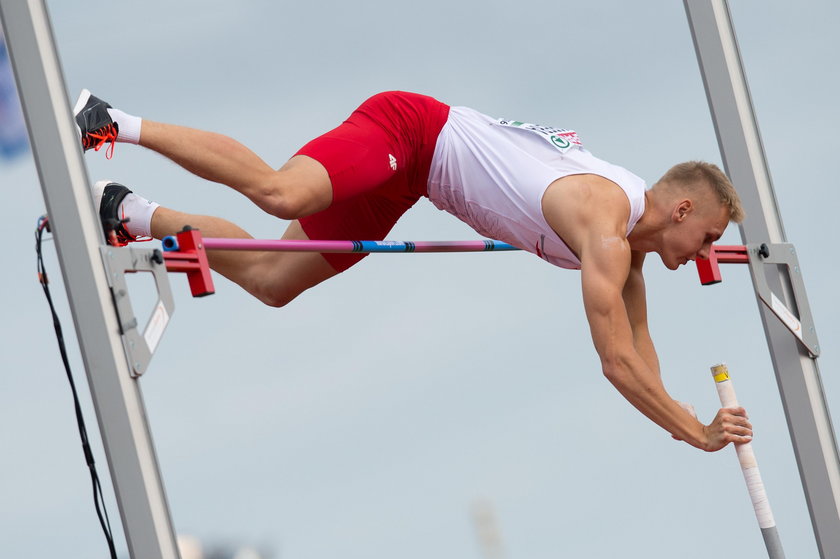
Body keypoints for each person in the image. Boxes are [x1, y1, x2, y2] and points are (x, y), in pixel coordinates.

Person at [74, 88, 753, 452]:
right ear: (684, 206)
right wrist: (692, 430)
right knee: (283, 192)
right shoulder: (606, 224)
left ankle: (129, 209)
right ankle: (113, 120)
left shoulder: (628, 247)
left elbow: (643, 355)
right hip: (409, 133)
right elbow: (616, 362)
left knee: (271, 280)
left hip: (413, 183)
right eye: (710, 236)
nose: (704, 251)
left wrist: (685, 423)